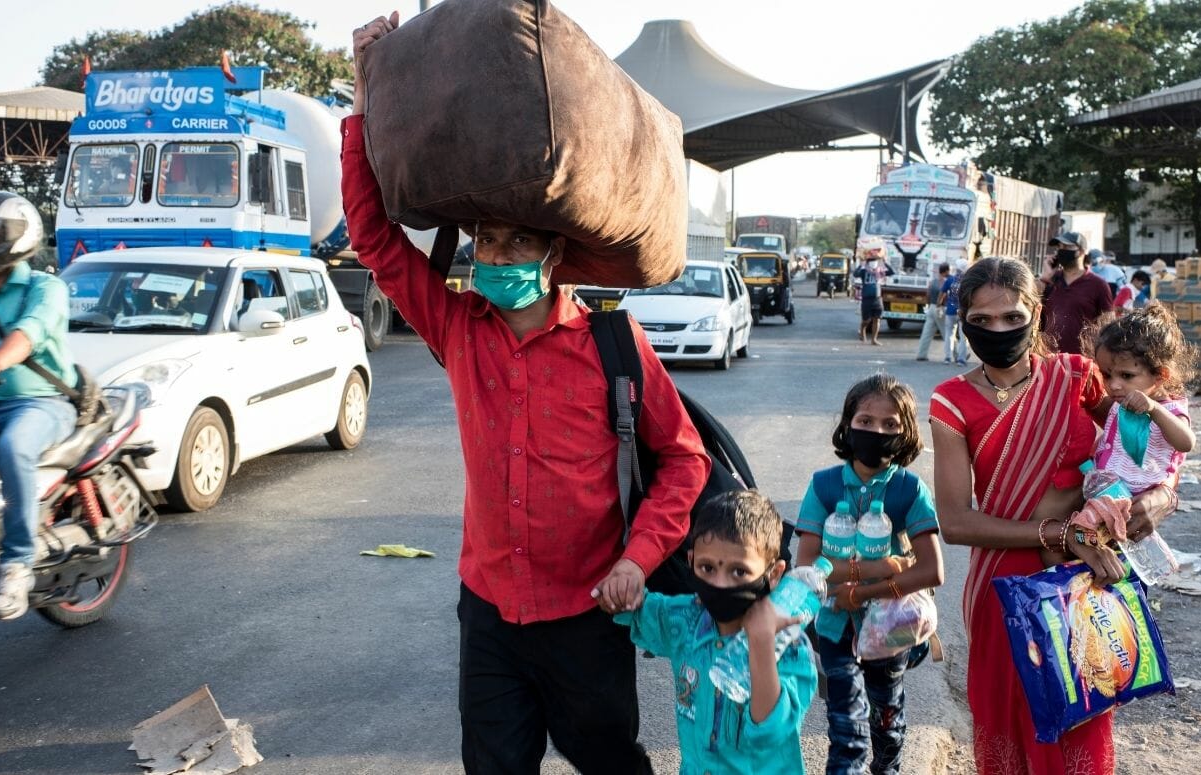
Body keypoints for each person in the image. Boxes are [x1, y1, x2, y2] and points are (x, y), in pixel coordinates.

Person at [343, 15, 710, 774]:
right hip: (489, 619)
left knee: (610, 761)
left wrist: (639, 558)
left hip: (588, 615)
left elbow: (684, 460)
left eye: (514, 241)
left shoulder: (615, 342)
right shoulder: (458, 326)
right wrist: (362, 97)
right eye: (485, 240)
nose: (495, 255)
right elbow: (377, 240)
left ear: (553, 254)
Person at [929, 257, 1179, 773]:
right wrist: (1065, 533)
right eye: (982, 320)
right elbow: (955, 522)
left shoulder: (1076, 376)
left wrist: (1163, 496)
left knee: (1080, 724)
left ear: (1036, 313)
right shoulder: (951, 401)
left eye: (1011, 317)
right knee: (1014, 725)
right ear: (963, 321)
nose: (997, 329)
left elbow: (1142, 449)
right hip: (1009, 587)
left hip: (1081, 585)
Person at [795, 374, 944, 775]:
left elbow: (932, 570)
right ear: (847, 425)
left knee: (886, 719)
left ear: (907, 432)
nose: (876, 430)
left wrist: (860, 591)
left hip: (892, 627)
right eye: (865, 420)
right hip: (833, 626)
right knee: (844, 725)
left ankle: (887, 769)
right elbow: (805, 567)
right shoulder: (824, 485)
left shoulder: (910, 490)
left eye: (890, 424)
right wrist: (875, 568)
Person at [615, 490, 817, 774]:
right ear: (691, 562)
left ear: (773, 574)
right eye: (707, 568)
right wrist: (619, 589)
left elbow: (770, 735)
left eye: (739, 572)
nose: (719, 584)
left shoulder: (791, 649)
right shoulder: (688, 619)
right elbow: (632, 609)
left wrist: (761, 643)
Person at [0, 191, 79, 620]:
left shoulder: (46, 287)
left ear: (18, 237)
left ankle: (17, 565)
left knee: (14, 448)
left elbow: (28, 333)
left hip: (43, 402)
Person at [1087, 306, 1196, 500]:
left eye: (1126, 375)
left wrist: (1154, 409)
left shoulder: (1170, 410)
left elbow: (1186, 443)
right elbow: (1113, 438)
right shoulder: (1121, 403)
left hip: (1137, 496)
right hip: (1109, 490)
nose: (1113, 385)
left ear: (1160, 375)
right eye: (1106, 375)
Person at [1039, 231, 1114, 354]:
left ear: (1081, 251)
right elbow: (1033, 308)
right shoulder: (1049, 280)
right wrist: (1045, 278)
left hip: (1082, 360)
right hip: (1049, 359)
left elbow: (1107, 326)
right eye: (1059, 247)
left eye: (1066, 247)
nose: (1061, 251)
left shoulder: (1098, 285)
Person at [854, 237, 891, 346]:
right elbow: (855, 274)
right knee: (867, 320)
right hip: (866, 298)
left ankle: (874, 339)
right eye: (871, 261)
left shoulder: (880, 271)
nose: (873, 263)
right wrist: (862, 264)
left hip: (877, 298)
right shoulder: (864, 271)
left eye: (875, 261)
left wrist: (884, 261)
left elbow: (891, 272)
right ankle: (862, 329)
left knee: (877, 319)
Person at [938, 259, 969, 365]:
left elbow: (942, 293)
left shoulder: (950, 279)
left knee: (949, 335)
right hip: (963, 312)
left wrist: (939, 305)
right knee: (963, 336)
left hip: (950, 311)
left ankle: (947, 357)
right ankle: (961, 359)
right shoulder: (968, 280)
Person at [915, 263, 949, 361]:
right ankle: (956, 354)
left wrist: (929, 305)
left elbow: (928, 294)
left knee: (926, 333)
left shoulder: (933, 281)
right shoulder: (945, 282)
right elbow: (944, 296)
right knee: (947, 333)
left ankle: (921, 354)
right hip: (940, 308)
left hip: (931, 307)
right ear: (946, 271)